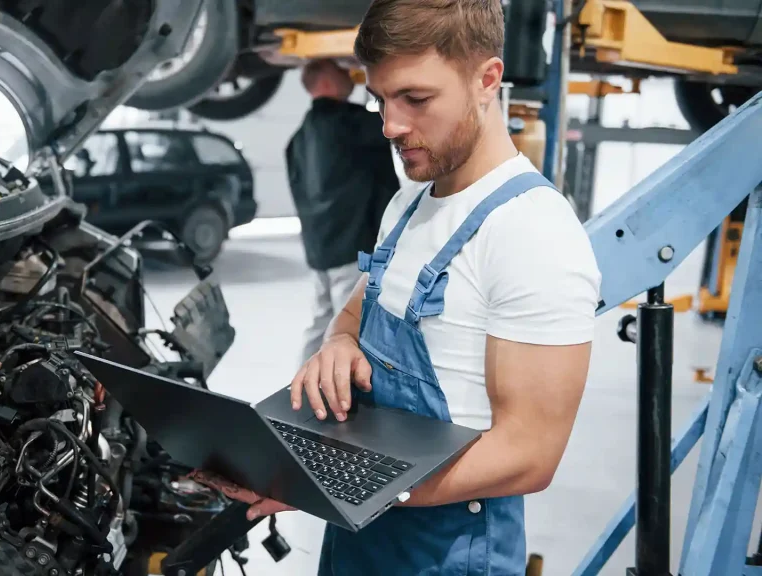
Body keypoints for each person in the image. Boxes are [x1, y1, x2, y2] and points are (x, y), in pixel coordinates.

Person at [191, 0, 602, 574]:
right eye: (380, 99)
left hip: (447, 555)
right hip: (361, 538)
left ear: (487, 80)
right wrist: (337, 344)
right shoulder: (409, 203)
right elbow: (355, 315)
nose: (390, 125)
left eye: (415, 99)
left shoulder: (533, 233)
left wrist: (330, 486)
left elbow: (529, 455)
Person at [284, 58, 400, 366]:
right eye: (341, 70)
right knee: (352, 331)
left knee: (321, 323)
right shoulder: (349, 123)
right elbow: (395, 125)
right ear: (324, 82)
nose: (351, 75)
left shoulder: (297, 139)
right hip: (351, 248)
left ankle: (295, 392)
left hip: (319, 250)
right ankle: (345, 401)